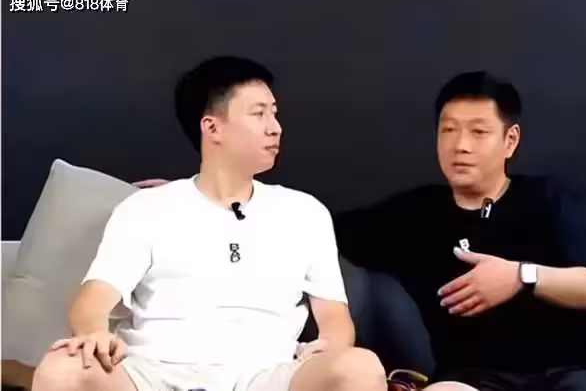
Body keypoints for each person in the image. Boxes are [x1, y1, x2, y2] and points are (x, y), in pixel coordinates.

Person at [32, 56, 387, 391]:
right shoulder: (146, 208)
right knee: (61, 368)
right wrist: (95, 333)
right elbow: (91, 304)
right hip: (152, 374)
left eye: (274, 114)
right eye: (259, 114)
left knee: (360, 366)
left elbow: (335, 319)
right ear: (212, 127)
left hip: (265, 376)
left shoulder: (305, 212)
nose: (275, 128)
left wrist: (330, 346)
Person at [333, 71, 586, 391]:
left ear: (510, 140)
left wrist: (521, 276)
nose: (461, 146)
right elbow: (320, 232)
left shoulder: (549, 199)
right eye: (449, 130)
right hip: (473, 378)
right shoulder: (414, 213)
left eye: (478, 132)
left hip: (572, 371)